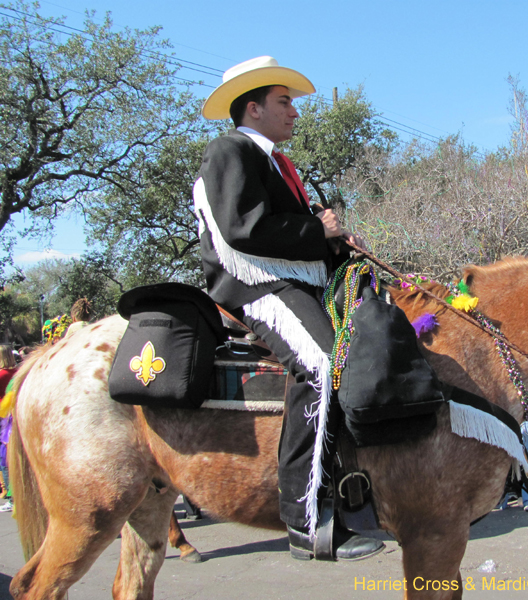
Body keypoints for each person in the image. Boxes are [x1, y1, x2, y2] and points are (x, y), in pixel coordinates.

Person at [193, 55, 382, 561]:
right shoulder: (229, 150)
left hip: (289, 281)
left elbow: (295, 238)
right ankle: (304, 520)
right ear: (253, 109)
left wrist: (338, 243)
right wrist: (316, 230)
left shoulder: (276, 161)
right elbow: (242, 229)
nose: (294, 112)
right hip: (254, 287)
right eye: (284, 102)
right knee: (321, 366)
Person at [0, 344, 17, 513]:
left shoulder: (2, 374)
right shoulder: (16, 373)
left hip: (4, 418)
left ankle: (11, 496)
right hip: (13, 416)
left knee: (4, 457)